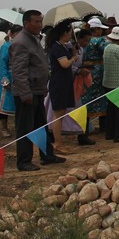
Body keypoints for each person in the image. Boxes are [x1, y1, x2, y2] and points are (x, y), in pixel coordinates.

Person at [11, 10, 65, 171]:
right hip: (27, 92)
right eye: (36, 22)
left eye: (41, 21)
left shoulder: (35, 39)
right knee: (25, 128)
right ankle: (24, 161)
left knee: (41, 125)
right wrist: (25, 93)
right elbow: (19, 71)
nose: (40, 25)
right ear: (26, 23)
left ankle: (47, 155)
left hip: (38, 90)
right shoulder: (20, 42)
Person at [46, 23, 79, 154]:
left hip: (64, 82)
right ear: (64, 33)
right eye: (70, 32)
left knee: (61, 113)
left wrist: (73, 53)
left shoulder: (63, 47)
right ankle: (58, 143)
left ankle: (59, 142)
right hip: (59, 83)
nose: (71, 34)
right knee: (58, 115)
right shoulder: (56, 47)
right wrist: (73, 59)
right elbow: (64, 64)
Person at [0, 25, 21, 137]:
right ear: (12, 34)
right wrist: (5, 78)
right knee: (5, 104)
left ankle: (19, 127)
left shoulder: (24, 46)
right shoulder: (6, 47)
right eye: (18, 34)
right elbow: (2, 63)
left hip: (20, 77)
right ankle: (4, 128)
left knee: (20, 104)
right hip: (9, 76)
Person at [82, 17, 109, 131]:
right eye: (100, 29)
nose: (102, 31)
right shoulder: (99, 41)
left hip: (85, 70)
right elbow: (107, 50)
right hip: (98, 70)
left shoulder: (83, 40)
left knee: (86, 98)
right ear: (96, 29)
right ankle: (104, 126)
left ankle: (85, 127)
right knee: (103, 97)